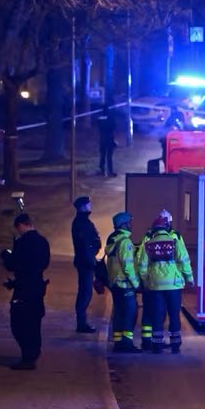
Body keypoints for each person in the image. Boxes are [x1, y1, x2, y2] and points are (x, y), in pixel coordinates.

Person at [135, 209, 194, 354]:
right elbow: (184, 261)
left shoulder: (149, 244)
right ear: (167, 227)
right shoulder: (175, 241)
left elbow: (142, 266)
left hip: (155, 286)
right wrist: (189, 278)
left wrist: (146, 281)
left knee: (157, 315)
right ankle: (175, 344)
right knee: (174, 315)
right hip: (173, 286)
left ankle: (157, 345)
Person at [0, 213, 51, 370]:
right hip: (37, 286)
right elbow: (45, 263)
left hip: (23, 289)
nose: (19, 231)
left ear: (22, 225)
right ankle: (34, 352)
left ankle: (27, 358)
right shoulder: (43, 241)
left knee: (18, 323)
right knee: (34, 322)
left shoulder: (22, 243)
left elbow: (13, 265)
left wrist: (5, 256)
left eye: (18, 228)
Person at [105, 212, 141, 353]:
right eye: (129, 223)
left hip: (115, 285)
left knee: (119, 313)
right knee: (130, 313)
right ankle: (126, 344)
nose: (131, 225)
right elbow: (128, 266)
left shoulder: (112, 241)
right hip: (125, 284)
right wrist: (136, 283)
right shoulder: (125, 242)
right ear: (123, 225)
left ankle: (118, 342)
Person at [71, 196, 101, 334]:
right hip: (85, 262)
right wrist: (91, 260)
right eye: (88, 204)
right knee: (85, 293)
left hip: (86, 261)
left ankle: (82, 322)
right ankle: (81, 323)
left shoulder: (83, 222)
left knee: (85, 292)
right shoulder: (81, 223)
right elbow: (85, 245)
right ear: (82, 207)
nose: (90, 206)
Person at [95, 106, 118, 177]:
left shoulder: (99, 117)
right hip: (109, 138)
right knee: (109, 156)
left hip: (102, 138)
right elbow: (114, 126)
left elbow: (97, 125)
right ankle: (110, 172)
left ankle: (102, 171)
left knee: (102, 155)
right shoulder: (111, 117)